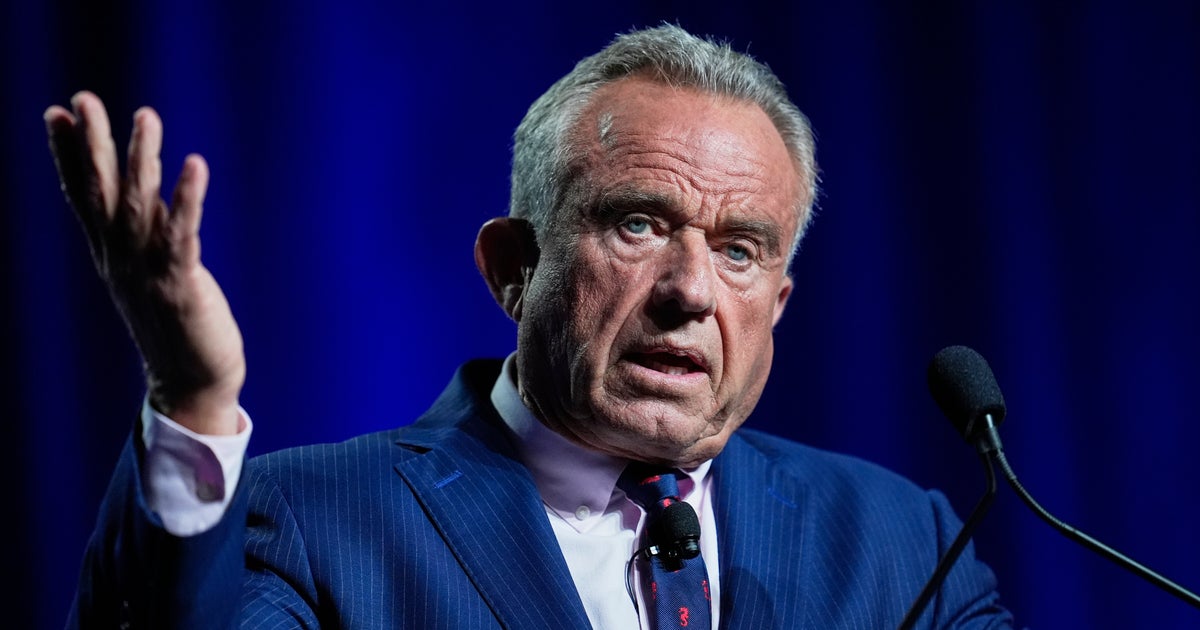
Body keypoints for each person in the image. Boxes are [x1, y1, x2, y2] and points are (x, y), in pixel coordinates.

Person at [48, 25, 1013, 629]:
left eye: (739, 249)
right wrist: (194, 396)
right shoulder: (313, 523)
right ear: (513, 268)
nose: (690, 290)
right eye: (639, 225)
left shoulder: (902, 543)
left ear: (778, 305)